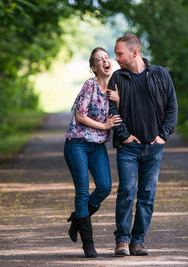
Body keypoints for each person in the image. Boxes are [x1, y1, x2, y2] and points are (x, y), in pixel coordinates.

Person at [107, 34, 178, 256]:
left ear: (135, 52)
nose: (116, 58)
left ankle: (138, 241)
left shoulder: (160, 74)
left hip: (153, 147)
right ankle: (122, 240)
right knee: (127, 191)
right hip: (128, 147)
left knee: (147, 194)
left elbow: (171, 108)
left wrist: (163, 136)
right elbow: (113, 110)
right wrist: (125, 135)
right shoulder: (117, 77)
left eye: (120, 53)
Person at [64, 47, 122, 258]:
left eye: (106, 58)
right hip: (77, 142)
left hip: (97, 145)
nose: (105, 61)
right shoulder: (90, 85)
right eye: (99, 60)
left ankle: (78, 218)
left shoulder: (116, 87)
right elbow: (79, 115)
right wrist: (105, 126)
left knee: (105, 187)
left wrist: (120, 100)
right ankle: (88, 243)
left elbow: (124, 112)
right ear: (93, 67)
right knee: (82, 190)